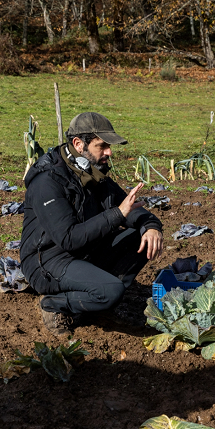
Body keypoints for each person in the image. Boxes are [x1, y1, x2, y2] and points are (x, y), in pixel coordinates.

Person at [20, 112, 164, 336]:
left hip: (83, 251)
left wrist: (151, 226)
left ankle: (98, 303)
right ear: (79, 144)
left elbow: (128, 208)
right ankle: (54, 304)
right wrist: (117, 214)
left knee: (140, 237)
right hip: (47, 261)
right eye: (102, 146)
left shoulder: (92, 173)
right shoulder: (48, 182)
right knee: (111, 291)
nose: (109, 152)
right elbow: (68, 238)